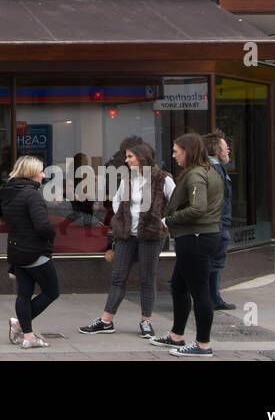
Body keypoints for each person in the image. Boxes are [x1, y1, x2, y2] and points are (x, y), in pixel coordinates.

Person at [78, 142, 175, 339]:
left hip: (150, 235)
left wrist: (163, 223)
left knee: (147, 278)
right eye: (127, 156)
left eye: (130, 156)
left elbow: (176, 204)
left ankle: (146, 321)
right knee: (117, 277)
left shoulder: (163, 179)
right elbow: (117, 201)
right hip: (125, 235)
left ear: (142, 157)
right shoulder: (128, 178)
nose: (126, 160)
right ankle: (106, 321)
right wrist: (121, 219)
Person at [150, 133, 223, 356]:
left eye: (176, 151)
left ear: (188, 151)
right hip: (199, 237)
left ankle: (203, 345)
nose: (174, 156)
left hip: (196, 239)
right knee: (180, 286)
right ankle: (176, 336)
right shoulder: (209, 171)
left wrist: (168, 220)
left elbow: (198, 208)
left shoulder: (196, 175)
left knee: (200, 293)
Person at [0, 155, 59, 349]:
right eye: (41, 171)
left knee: (24, 293)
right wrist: (52, 235)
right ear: (32, 173)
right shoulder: (31, 194)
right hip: (35, 252)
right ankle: (20, 326)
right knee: (51, 291)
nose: (43, 174)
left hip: (17, 251)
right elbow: (42, 226)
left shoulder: (9, 194)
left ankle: (28, 336)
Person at [204, 133, 236, 310]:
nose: (228, 150)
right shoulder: (213, 170)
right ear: (216, 150)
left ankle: (213, 298)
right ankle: (208, 298)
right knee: (212, 263)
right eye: (225, 147)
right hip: (216, 223)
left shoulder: (217, 168)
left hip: (218, 222)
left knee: (214, 263)